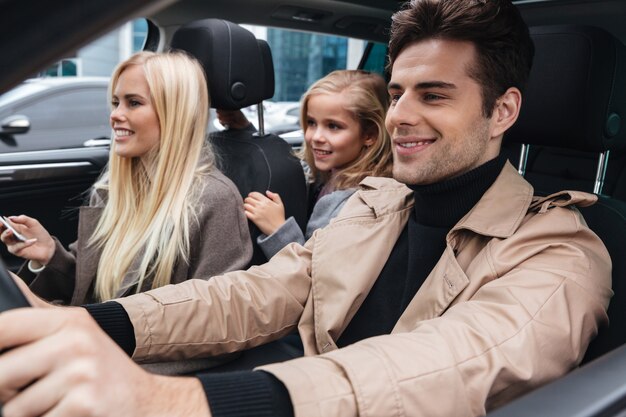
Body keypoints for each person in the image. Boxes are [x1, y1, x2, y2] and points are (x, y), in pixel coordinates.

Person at [0, 1, 612, 416]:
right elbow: (261, 291)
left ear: (502, 111)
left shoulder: (561, 252)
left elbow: (450, 364)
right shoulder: (379, 203)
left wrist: (175, 402)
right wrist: (95, 323)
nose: (399, 115)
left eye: (435, 95)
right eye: (396, 92)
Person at [0, 51, 252, 305]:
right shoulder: (111, 190)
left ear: (174, 113)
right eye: (115, 102)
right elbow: (88, 285)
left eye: (133, 103)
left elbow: (213, 318)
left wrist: (99, 324)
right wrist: (49, 254)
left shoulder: (215, 199)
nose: (115, 115)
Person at [244, 70, 393, 259]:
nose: (315, 137)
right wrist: (243, 129)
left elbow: (317, 276)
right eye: (311, 123)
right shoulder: (330, 174)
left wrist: (278, 230)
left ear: (369, 135)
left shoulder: (358, 207)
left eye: (333, 126)